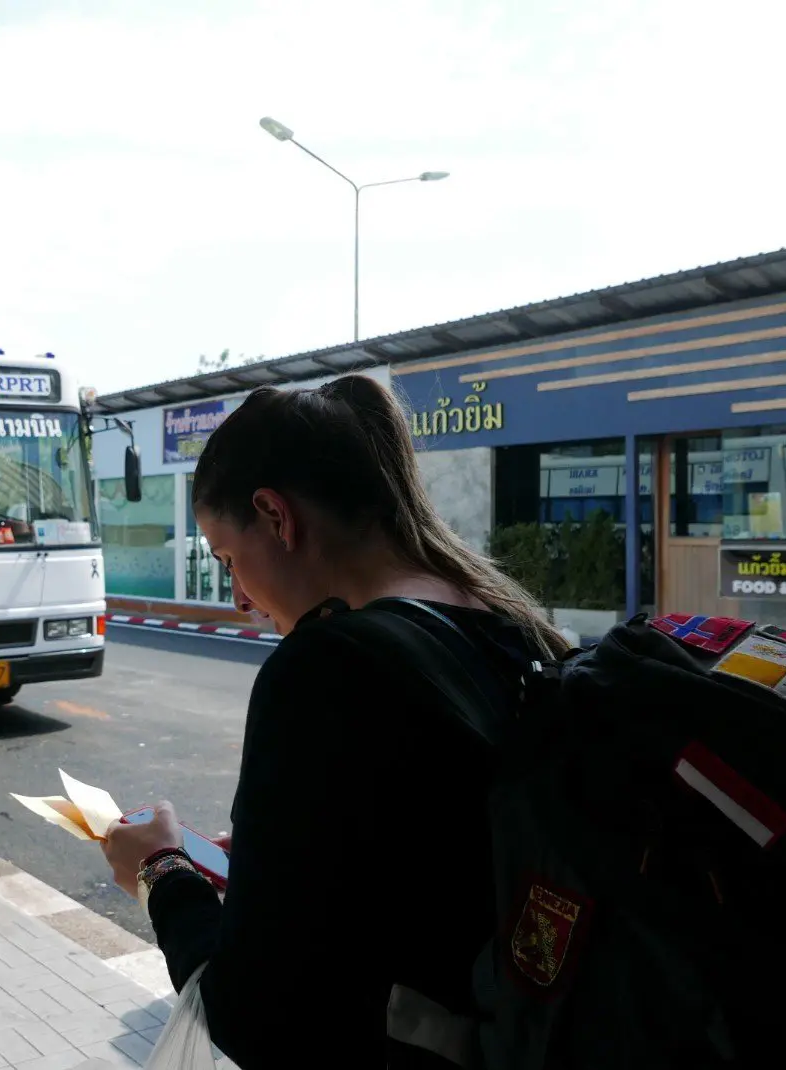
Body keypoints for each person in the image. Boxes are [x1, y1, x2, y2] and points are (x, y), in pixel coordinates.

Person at [100, 373, 568, 1068]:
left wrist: (161, 870)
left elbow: (250, 1015)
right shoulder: (516, 630)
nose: (239, 599)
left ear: (275, 516)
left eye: (229, 559)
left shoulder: (329, 667)